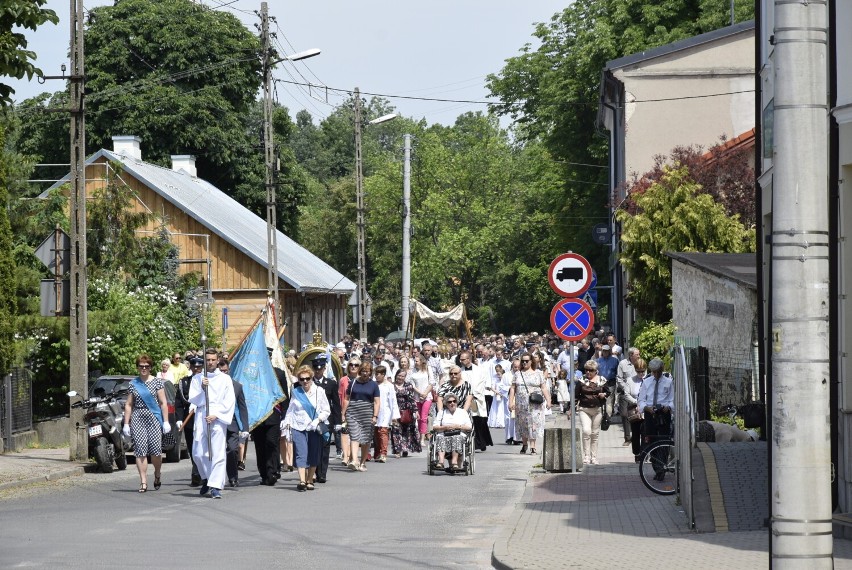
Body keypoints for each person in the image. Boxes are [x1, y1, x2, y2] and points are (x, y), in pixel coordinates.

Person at [188, 348, 235, 499]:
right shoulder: (197, 378)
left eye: (213, 360)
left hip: (218, 416)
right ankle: (207, 478)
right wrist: (202, 389)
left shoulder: (225, 379)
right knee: (198, 452)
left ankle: (215, 486)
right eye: (208, 360)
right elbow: (193, 399)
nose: (210, 362)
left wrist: (217, 415)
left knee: (217, 452)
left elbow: (229, 401)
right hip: (202, 413)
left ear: (217, 360)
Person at [122, 354, 170, 493]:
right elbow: (129, 404)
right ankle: (143, 481)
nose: (144, 368)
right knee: (140, 450)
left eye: (146, 366)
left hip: (153, 417)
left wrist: (166, 421)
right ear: (137, 367)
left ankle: (157, 473)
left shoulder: (157, 382)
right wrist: (126, 423)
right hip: (138, 417)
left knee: (155, 450)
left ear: (150, 367)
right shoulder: (133, 384)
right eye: (141, 366)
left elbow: (163, 403)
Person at [282, 365, 330, 491]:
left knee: (313, 453)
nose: (305, 382)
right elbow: (291, 409)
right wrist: (286, 421)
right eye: (301, 379)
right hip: (298, 426)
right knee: (301, 453)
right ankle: (302, 481)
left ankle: (310, 480)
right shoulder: (296, 392)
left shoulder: (319, 391)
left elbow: (326, 410)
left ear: (311, 378)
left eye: (307, 379)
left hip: (314, 427)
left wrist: (318, 420)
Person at [508, 353, 551, 455]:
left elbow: (544, 387)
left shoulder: (538, 373)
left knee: (534, 424)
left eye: (527, 361)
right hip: (521, 404)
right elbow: (513, 388)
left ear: (532, 361)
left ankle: (533, 446)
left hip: (535, 404)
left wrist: (548, 400)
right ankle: (524, 444)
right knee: (523, 424)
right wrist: (510, 402)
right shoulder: (517, 374)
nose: (524, 363)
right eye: (523, 361)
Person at [341, 361, 380, 472]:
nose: (364, 373)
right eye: (362, 371)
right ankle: (354, 460)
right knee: (354, 436)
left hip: (367, 413)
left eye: (367, 371)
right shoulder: (353, 383)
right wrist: (343, 413)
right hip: (353, 412)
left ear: (370, 372)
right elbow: (347, 399)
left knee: (366, 439)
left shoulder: (374, 385)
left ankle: (362, 463)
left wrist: (375, 416)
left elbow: (377, 402)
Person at [311, 355, 340, 484]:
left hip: (326, 420)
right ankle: (312, 472)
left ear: (324, 368)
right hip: (311, 419)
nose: (318, 371)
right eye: (316, 369)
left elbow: (336, 404)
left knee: (324, 447)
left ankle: (322, 473)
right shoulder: (307, 382)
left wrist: (338, 422)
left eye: (320, 368)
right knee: (312, 447)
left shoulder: (331, 383)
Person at [219, 358, 248, 488]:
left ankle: (233, 477)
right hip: (217, 423)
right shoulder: (213, 385)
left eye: (225, 370)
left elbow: (242, 407)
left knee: (231, 449)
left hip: (232, 424)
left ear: (229, 370)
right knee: (216, 451)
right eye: (221, 371)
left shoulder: (237, 386)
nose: (223, 373)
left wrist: (245, 427)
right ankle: (215, 479)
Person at [575, 360, 609, 465]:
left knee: (595, 433)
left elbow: (608, 392)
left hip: (597, 409)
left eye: (591, 370)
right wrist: (571, 408)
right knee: (586, 431)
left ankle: (594, 457)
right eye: (586, 370)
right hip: (584, 409)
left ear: (596, 371)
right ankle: (586, 456)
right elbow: (576, 395)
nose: (588, 372)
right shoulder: (581, 380)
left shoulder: (602, 380)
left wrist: (604, 395)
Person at [175, 356, 203, 486]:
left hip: (203, 417)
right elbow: (179, 402)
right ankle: (196, 470)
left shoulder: (207, 381)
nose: (197, 369)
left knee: (202, 447)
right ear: (190, 367)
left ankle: (198, 473)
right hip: (190, 419)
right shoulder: (185, 382)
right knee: (193, 447)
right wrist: (179, 418)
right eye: (194, 366)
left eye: (199, 366)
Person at [458, 350, 492, 452]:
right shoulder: (460, 371)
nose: (461, 361)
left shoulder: (479, 370)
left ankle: (481, 442)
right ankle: (469, 442)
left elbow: (481, 384)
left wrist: (473, 394)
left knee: (478, 421)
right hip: (464, 399)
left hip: (476, 399)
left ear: (469, 359)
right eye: (460, 359)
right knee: (467, 421)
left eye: (463, 359)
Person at [638, 357, 674, 449]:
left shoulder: (669, 382)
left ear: (662, 370)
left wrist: (668, 407)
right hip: (650, 412)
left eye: (659, 371)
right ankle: (653, 459)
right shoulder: (646, 382)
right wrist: (646, 408)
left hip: (663, 412)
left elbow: (672, 399)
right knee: (651, 437)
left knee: (664, 438)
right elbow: (641, 400)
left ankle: (663, 459)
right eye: (654, 372)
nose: (657, 374)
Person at [432, 394, 473, 471]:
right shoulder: (442, 412)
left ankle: (454, 462)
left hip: (459, 433)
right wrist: (444, 427)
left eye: (454, 401)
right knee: (439, 437)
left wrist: (458, 426)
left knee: (456, 438)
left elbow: (469, 427)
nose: (452, 403)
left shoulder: (463, 412)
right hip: (444, 433)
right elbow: (435, 426)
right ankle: (441, 462)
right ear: (446, 404)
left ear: (457, 402)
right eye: (449, 402)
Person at [390, 369, 421, 457]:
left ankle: (405, 448)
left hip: (407, 411)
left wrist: (416, 411)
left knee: (406, 430)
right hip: (395, 410)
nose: (400, 377)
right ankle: (397, 450)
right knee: (396, 430)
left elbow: (412, 399)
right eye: (399, 375)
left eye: (402, 376)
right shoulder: (391, 386)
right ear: (396, 375)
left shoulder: (409, 386)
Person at [372, 365, 399, 463]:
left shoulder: (389, 386)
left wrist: (394, 416)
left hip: (386, 411)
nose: (376, 376)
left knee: (383, 431)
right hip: (375, 411)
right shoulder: (373, 384)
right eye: (375, 374)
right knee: (376, 433)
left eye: (378, 374)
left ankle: (383, 453)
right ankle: (377, 453)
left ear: (383, 375)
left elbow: (393, 400)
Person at [616, 347, 640, 446]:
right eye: (637, 354)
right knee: (624, 414)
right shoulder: (622, 364)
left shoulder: (640, 363)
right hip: (625, 393)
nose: (639, 356)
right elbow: (619, 378)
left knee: (636, 416)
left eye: (639, 354)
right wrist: (626, 388)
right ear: (631, 355)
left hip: (637, 394)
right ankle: (627, 438)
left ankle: (636, 437)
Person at [338, 359, 360, 465]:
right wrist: (341, 412)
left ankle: (352, 455)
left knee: (355, 434)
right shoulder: (343, 380)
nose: (353, 367)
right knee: (344, 432)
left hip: (358, 410)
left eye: (356, 365)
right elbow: (340, 395)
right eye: (351, 364)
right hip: (346, 410)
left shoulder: (362, 380)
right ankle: (345, 456)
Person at [625, 358, 647, 461]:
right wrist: (636, 402)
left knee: (646, 432)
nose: (641, 373)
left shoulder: (649, 380)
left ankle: (645, 453)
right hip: (635, 410)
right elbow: (626, 394)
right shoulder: (631, 380)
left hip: (647, 409)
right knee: (636, 432)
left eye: (643, 371)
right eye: (638, 371)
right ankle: (637, 454)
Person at [410, 354, 434, 446]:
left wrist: (425, 393)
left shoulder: (428, 369)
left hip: (427, 396)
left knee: (424, 417)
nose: (415, 363)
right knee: (418, 418)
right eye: (415, 361)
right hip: (417, 397)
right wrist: (420, 393)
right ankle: (419, 436)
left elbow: (431, 382)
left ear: (421, 361)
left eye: (417, 361)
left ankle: (422, 439)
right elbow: (412, 385)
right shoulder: (413, 371)